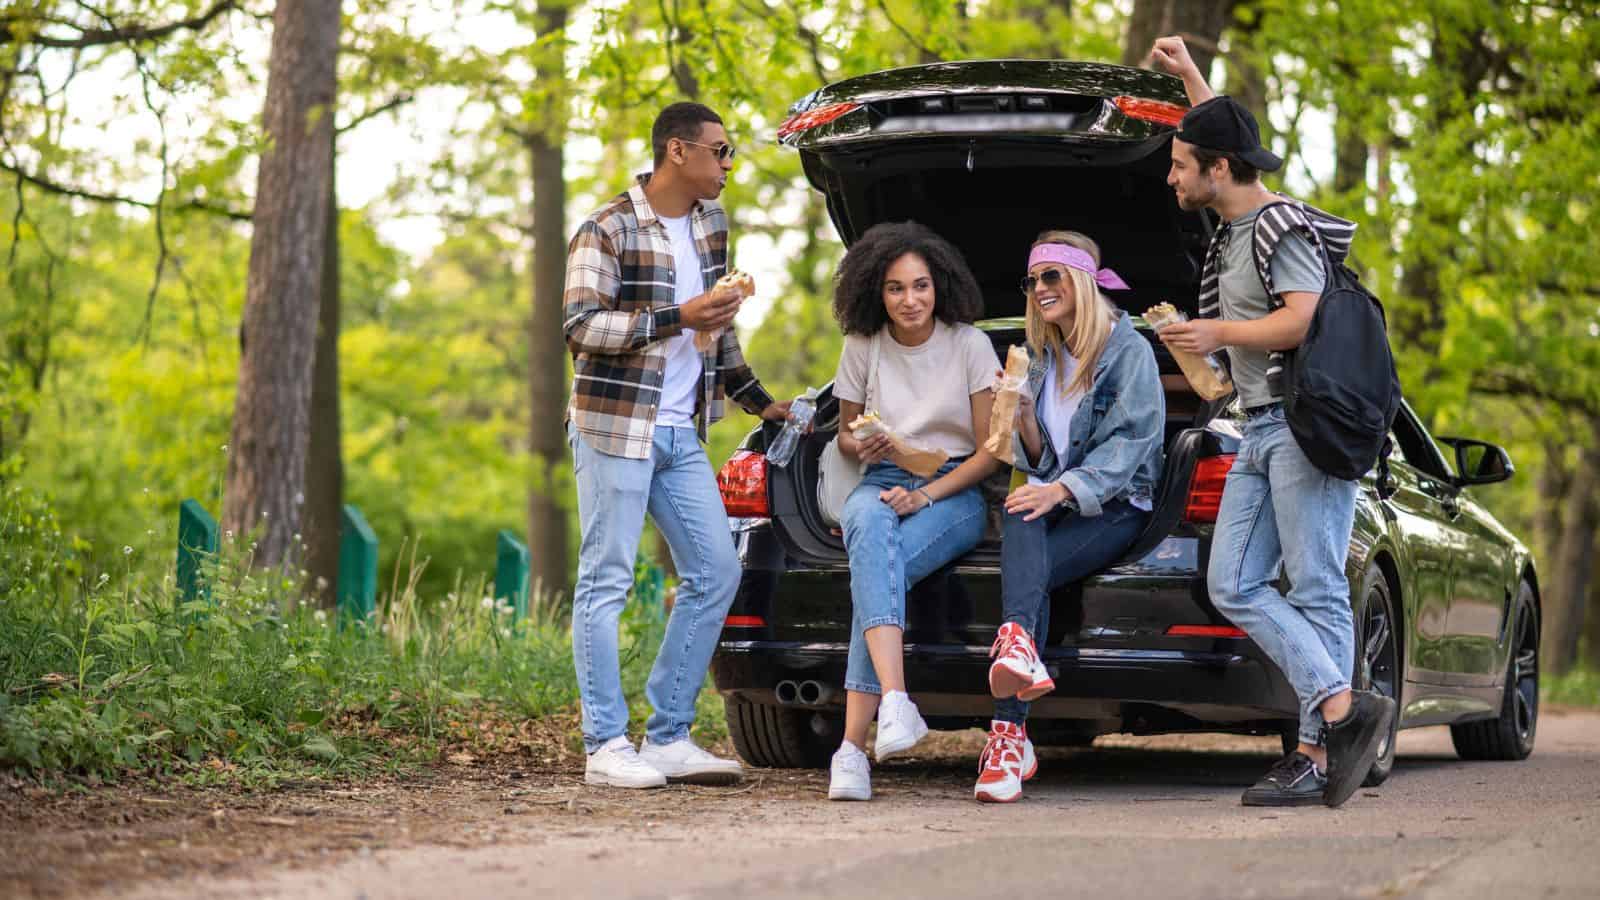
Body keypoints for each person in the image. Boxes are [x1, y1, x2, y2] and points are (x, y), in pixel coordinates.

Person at [1150, 35, 1395, 808]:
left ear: (1218, 171)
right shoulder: (1232, 224)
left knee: (1319, 586)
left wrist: (1217, 333)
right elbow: (1219, 133)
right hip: (1257, 427)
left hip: (1301, 426)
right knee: (1232, 582)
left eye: (1181, 164)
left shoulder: (1278, 226)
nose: (1172, 174)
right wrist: (1191, 78)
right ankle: (1340, 705)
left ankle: (1318, 756)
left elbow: (1302, 317)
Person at [563, 102, 794, 789]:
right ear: (677, 151)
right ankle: (605, 744)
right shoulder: (605, 229)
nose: (729, 164)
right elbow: (579, 327)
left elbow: (717, 329)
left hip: (681, 431)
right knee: (606, 579)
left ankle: (666, 735)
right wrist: (674, 318)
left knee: (717, 570)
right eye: (720, 151)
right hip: (615, 427)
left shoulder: (710, 225)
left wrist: (758, 400)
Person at [976, 230, 1166, 803]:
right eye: (1032, 280)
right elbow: (1041, 459)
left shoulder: (1128, 351)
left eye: (1051, 276)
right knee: (1020, 509)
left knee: (1026, 543)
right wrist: (1026, 419)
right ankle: (1015, 666)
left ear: (1081, 279)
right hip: (1054, 504)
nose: (1039, 290)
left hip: (1116, 506)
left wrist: (1059, 489)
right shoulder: (1040, 357)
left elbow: (1131, 445)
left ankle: (1009, 736)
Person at [825, 222, 1001, 802]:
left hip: (954, 489)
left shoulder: (969, 344)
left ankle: (852, 750)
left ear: (939, 286)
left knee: (876, 571)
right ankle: (895, 706)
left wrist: (925, 495)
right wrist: (863, 444)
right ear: (876, 291)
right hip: (879, 477)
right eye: (896, 288)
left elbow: (989, 452)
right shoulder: (863, 345)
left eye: (920, 286)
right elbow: (846, 435)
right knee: (871, 535)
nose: (910, 300)